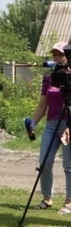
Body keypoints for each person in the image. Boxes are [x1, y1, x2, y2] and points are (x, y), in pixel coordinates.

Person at [32, 41, 71, 212]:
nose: (56, 57)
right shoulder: (49, 78)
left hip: (68, 124)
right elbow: (42, 106)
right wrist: (32, 123)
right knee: (44, 162)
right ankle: (47, 198)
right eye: (54, 54)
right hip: (51, 124)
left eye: (59, 54)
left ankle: (69, 201)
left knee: (68, 166)